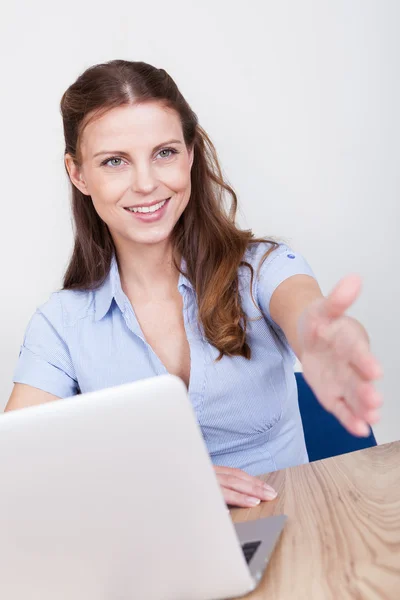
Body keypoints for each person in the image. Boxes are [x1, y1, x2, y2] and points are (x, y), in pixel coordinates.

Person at [5, 60, 383, 508]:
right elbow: (13, 463)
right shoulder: (61, 325)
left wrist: (325, 338)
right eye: (114, 161)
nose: (147, 184)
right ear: (78, 174)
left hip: (291, 531)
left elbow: (305, 310)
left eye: (164, 152)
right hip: (153, 556)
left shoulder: (262, 270)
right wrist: (161, 478)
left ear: (189, 154)